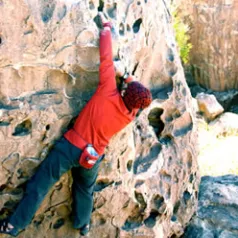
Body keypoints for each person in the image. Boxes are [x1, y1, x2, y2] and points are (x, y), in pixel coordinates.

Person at [0, 12, 152, 237]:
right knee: (84, 190)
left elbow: (106, 55)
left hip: (70, 147)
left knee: (40, 185)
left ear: (124, 89)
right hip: (93, 157)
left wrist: (107, 27)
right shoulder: (129, 114)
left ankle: (15, 226)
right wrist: (127, 78)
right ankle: (83, 225)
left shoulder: (108, 89)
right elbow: (140, 97)